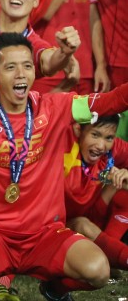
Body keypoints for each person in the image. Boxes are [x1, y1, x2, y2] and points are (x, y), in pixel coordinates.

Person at [0, 37, 128, 300]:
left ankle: (55, 291)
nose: (21, 74)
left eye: (28, 66)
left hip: (45, 234)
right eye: (11, 67)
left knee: (98, 270)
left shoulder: (57, 107)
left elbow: (111, 102)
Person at [62, 115, 128, 270]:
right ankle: (114, 255)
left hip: (92, 218)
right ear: (79, 130)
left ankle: (111, 253)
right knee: (82, 225)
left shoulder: (114, 148)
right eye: (95, 135)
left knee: (122, 186)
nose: (101, 145)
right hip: (54, 226)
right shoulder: (63, 149)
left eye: (109, 138)